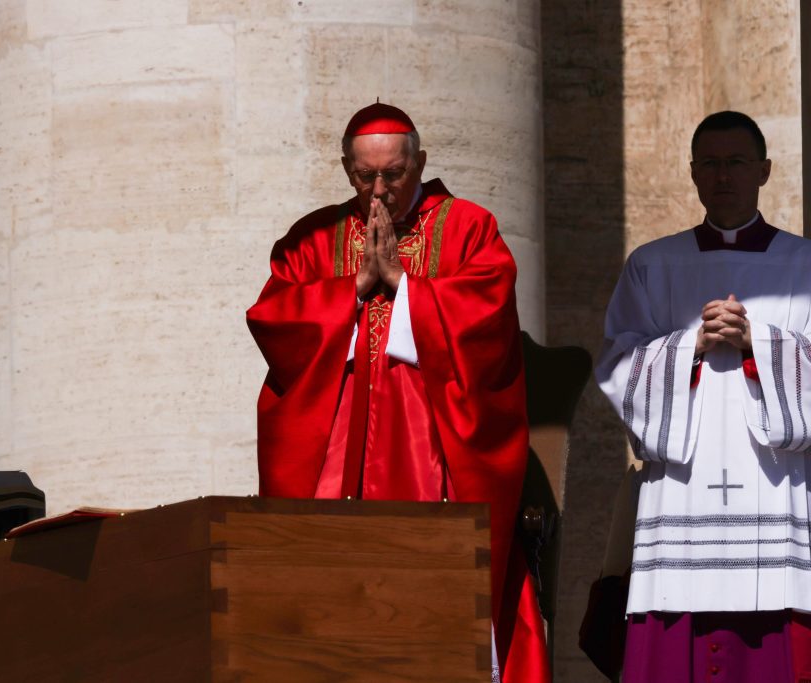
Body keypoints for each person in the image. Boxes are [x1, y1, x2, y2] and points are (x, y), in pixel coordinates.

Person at [246, 103, 549, 683]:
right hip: (336, 459)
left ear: (421, 163)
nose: (380, 190)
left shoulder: (467, 228)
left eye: (395, 174)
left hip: (430, 450)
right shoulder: (314, 239)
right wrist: (353, 288)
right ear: (346, 168)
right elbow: (275, 316)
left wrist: (407, 291)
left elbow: (488, 318)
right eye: (365, 177)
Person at [596, 110, 811, 682]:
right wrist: (689, 344)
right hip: (681, 494)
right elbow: (617, 366)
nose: (723, 176)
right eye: (710, 164)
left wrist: (757, 341)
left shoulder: (804, 264)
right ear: (692, 174)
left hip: (775, 488)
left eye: (736, 163)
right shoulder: (651, 263)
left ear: (764, 170)